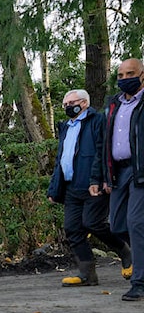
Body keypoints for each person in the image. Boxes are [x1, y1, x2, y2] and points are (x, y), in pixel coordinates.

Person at [48, 89, 131, 286]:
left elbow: (101, 152)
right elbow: (62, 159)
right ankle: (87, 274)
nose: (68, 107)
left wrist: (99, 179)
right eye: (65, 104)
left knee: (93, 222)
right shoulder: (66, 127)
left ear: (84, 103)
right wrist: (54, 189)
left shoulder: (97, 121)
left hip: (93, 184)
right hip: (71, 187)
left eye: (71, 103)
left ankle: (124, 251)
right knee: (72, 229)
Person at [92, 57, 144, 302]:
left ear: (142, 74)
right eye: (121, 76)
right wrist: (102, 176)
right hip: (118, 171)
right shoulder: (114, 104)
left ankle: (139, 283)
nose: (125, 79)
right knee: (117, 225)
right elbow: (104, 143)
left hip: (140, 170)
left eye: (130, 74)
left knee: (135, 224)